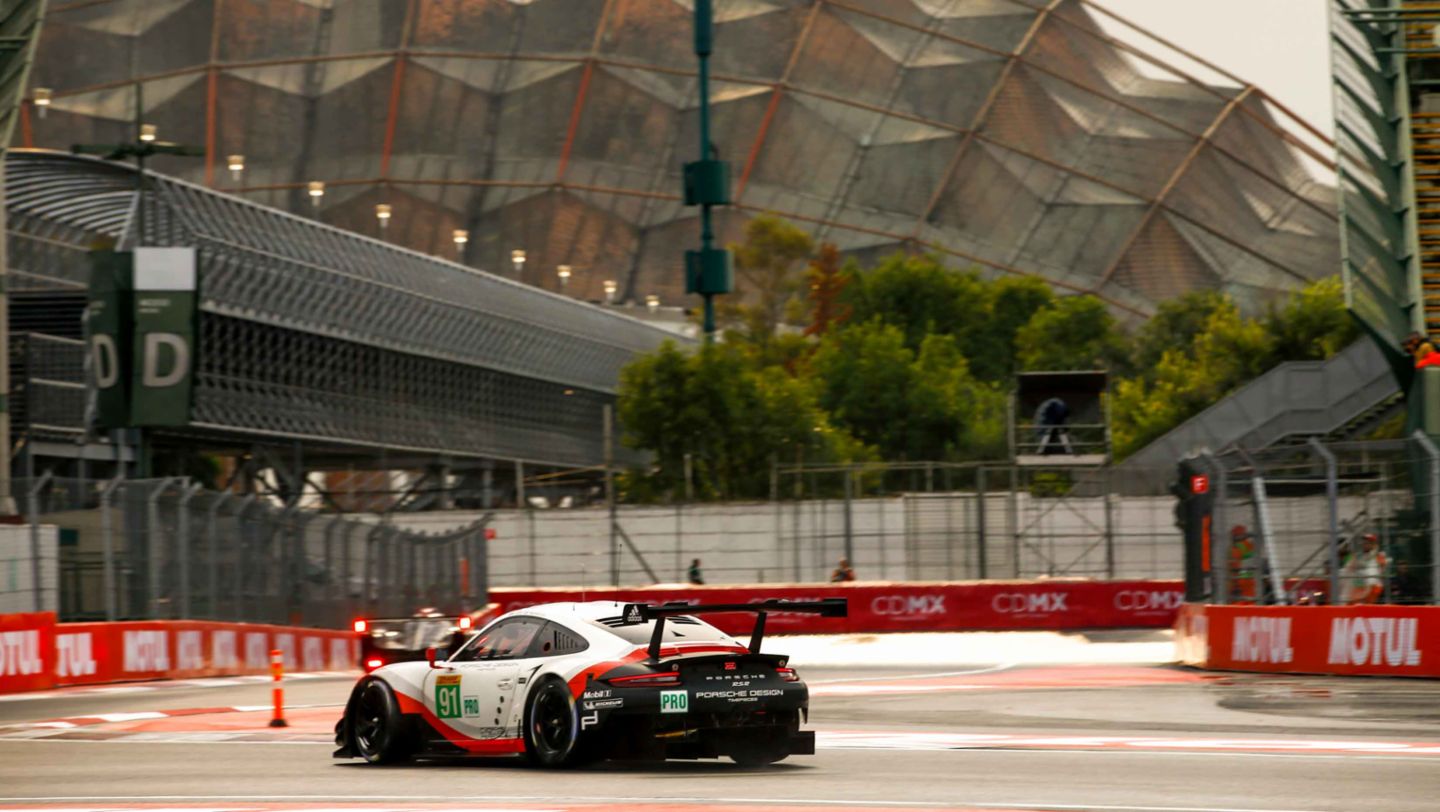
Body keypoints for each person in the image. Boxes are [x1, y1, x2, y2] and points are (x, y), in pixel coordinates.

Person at [1343, 533, 1388, 605]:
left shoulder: (1378, 556)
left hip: (1372, 587)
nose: (1365, 544)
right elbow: (1349, 568)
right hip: (1358, 586)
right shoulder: (1358, 555)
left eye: (1368, 543)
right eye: (1364, 542)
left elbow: (1380, 571)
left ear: (1373, 544)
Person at [1228, 525, 1257, 603]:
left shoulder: (1235, 549)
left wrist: (1235, 584)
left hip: (1239, 581)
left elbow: (1235, 567)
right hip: (1249, 579)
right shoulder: (1249, 546)